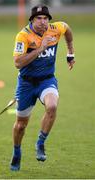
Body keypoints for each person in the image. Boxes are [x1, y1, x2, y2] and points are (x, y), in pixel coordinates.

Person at [10, 4, 75, 171]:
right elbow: (18, 63)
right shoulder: (23, 36)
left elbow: (67, 29)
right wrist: (41, 48)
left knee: (52, 105)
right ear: (32, 20)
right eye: (38, 18)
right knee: (20, 125)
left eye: (45, 18)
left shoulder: (55, 29)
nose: (43, 22)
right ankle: (17, 152)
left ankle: (40, 143)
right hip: (26, 84)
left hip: (47, 80)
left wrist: (70, 53)